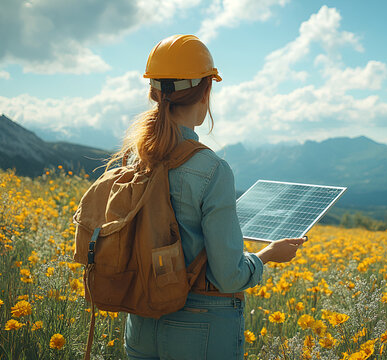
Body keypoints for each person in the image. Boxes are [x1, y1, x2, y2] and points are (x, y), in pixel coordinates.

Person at [112, 34, 306, 360]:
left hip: (141, 322)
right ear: (206, 91)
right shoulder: (212, 169)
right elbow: (228, 276)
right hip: (200, 327)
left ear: (154, 92)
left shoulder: (134, 158)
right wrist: (269, 254)